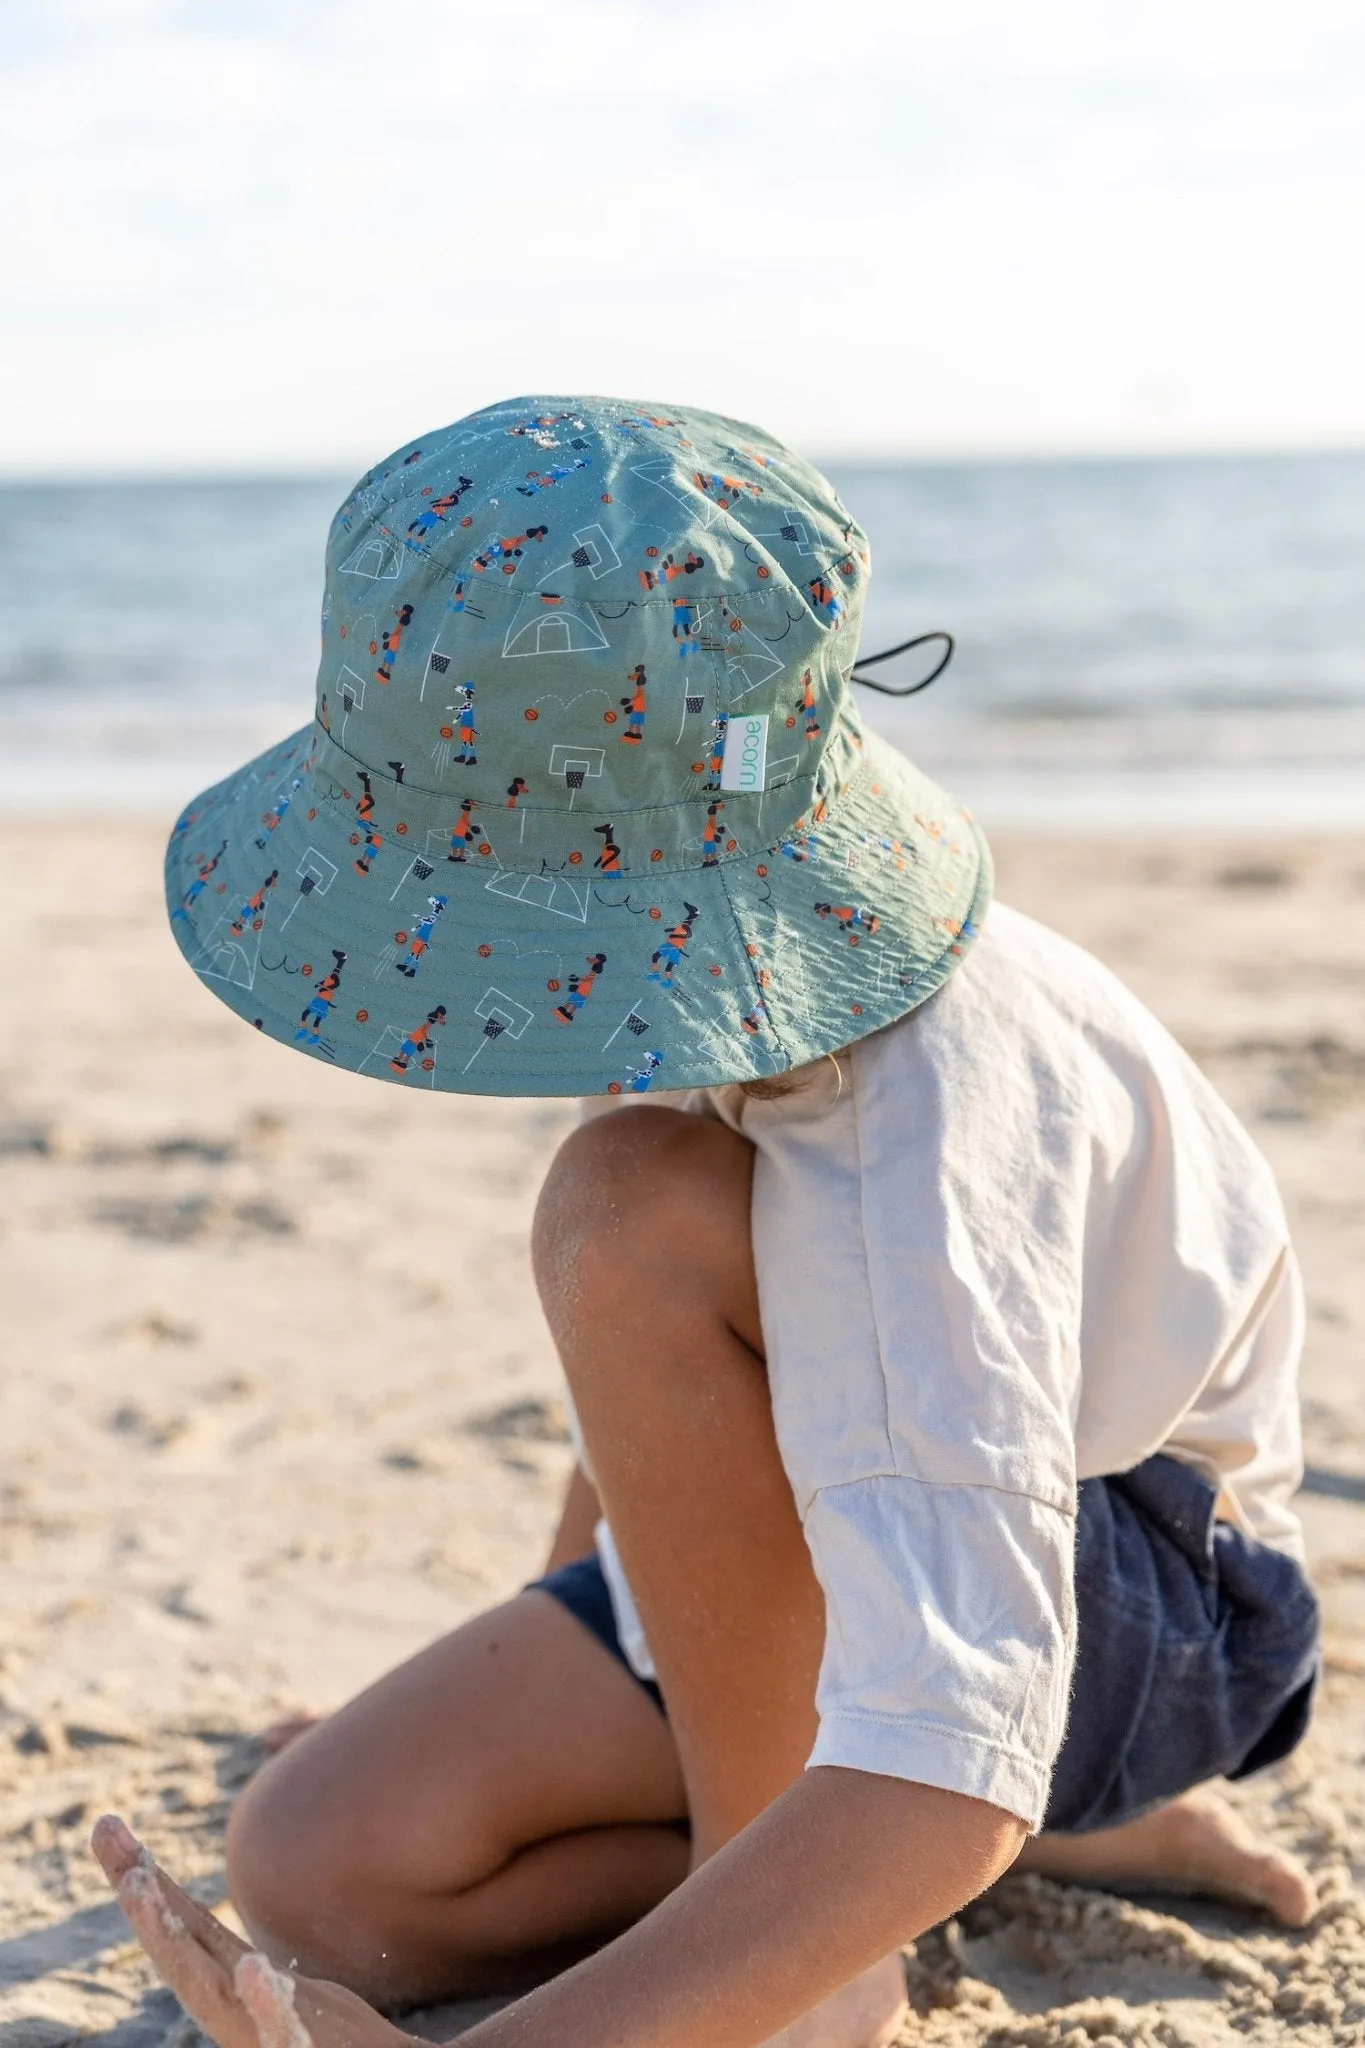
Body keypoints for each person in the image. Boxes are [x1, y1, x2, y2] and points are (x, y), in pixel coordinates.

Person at [99, 395, 1321, 2048]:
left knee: (626, 1209)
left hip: (1129, 1595)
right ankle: (864, 1862)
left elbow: (952, 1746)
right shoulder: (687, 996)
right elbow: (664, 1399)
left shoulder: (920, 1153)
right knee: (326, 1868)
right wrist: (532, 1643)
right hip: (859, 1514)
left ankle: (832, 1950)